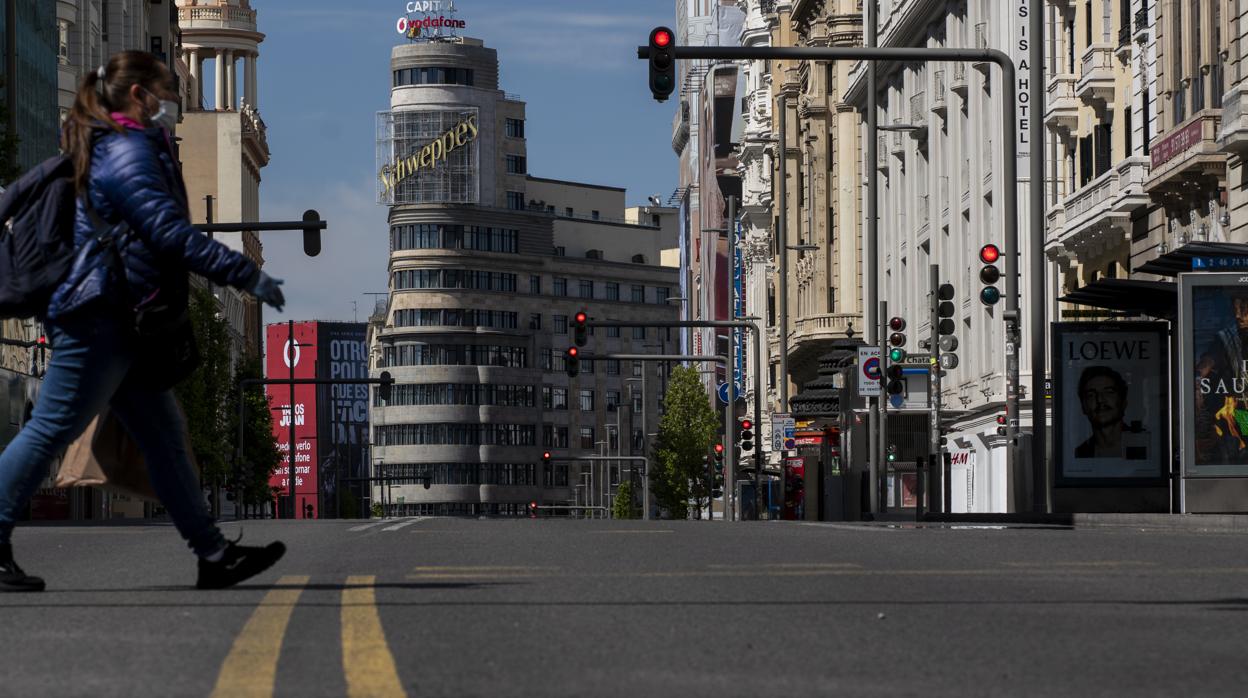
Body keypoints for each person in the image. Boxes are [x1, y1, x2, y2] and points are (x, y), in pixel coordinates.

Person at [0, 52, 287, 592]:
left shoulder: (120, 146)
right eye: (161, 93)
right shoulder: (127, 152)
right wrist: (244, 274)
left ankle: (213, 553)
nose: (167, 103)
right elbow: (168, 233)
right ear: (137, 96)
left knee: (165, 439)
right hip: (98, 317)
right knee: (48, 430)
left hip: (124, 319)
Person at [1073, 366, 1143, 460]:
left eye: (1109, 392)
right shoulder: (1080, 453)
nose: (1100, 400)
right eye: (1091, 395)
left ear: (1123, 402)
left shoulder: (1142, 444)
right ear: (1083, 407)